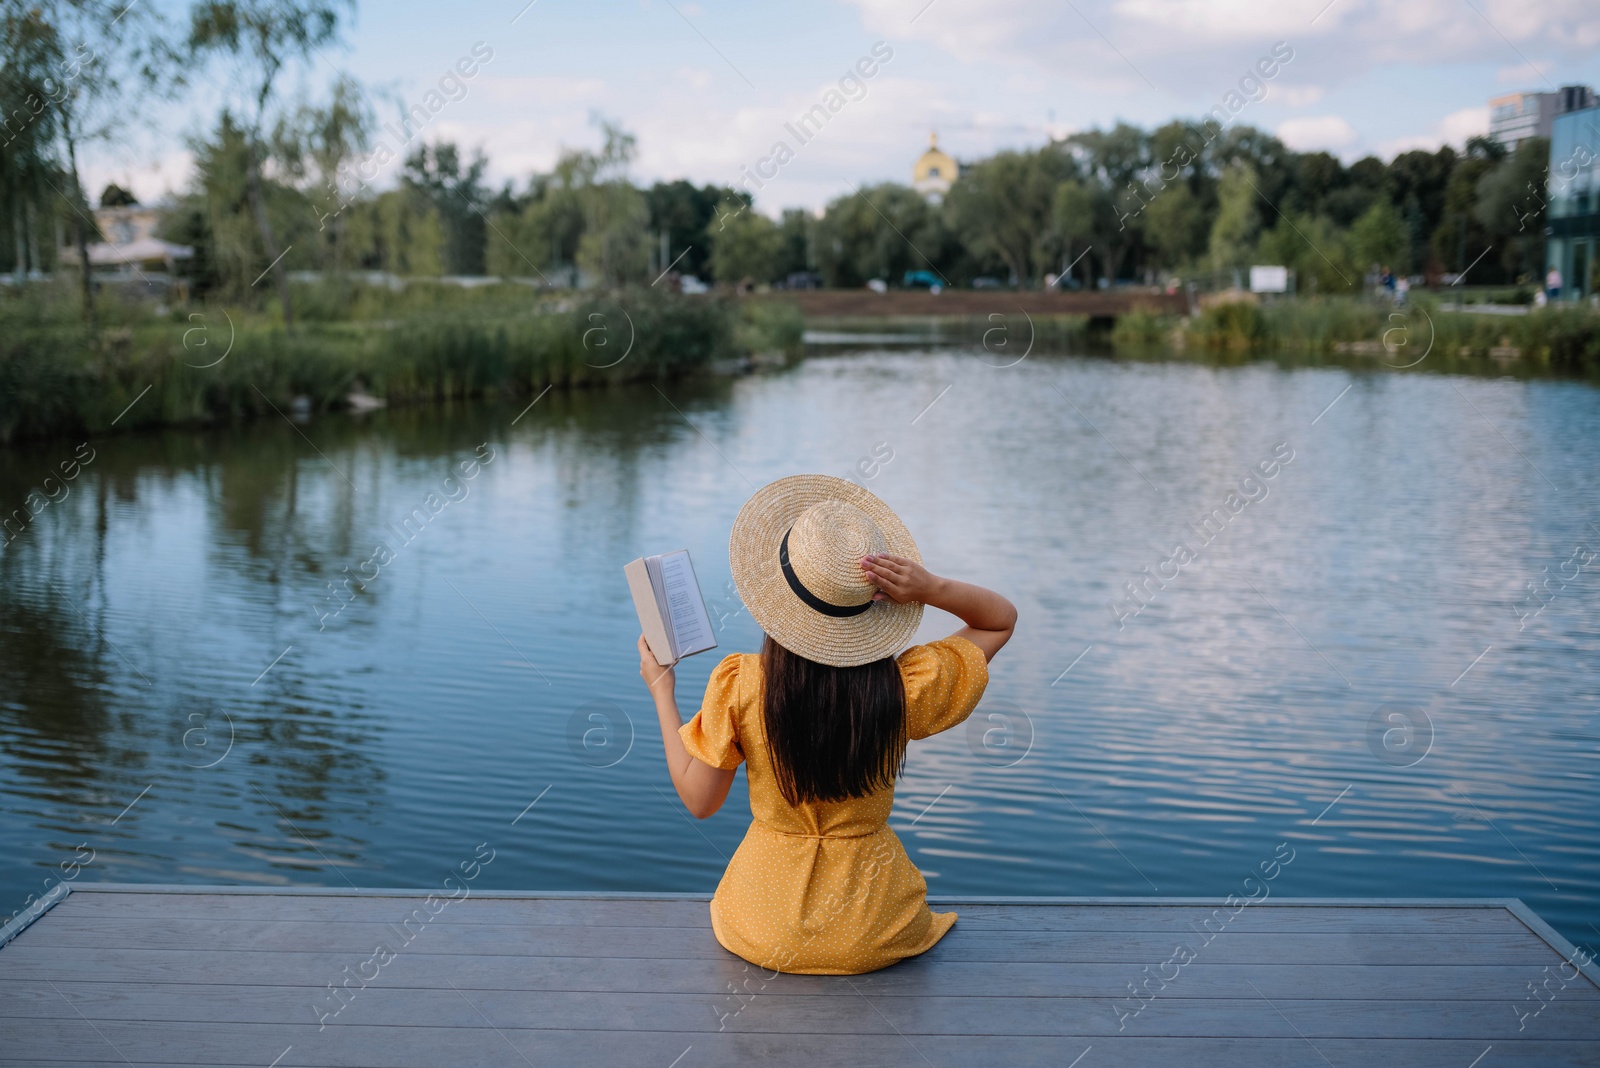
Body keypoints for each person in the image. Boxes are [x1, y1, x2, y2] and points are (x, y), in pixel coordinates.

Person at [639, 474, 1017, 975]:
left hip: (762, 929)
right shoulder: (902, 689)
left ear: (775, 596)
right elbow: (1000, 620)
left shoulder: (743, 684)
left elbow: (699, 801)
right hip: (873, 929)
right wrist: (932, 587)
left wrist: (662, 692)